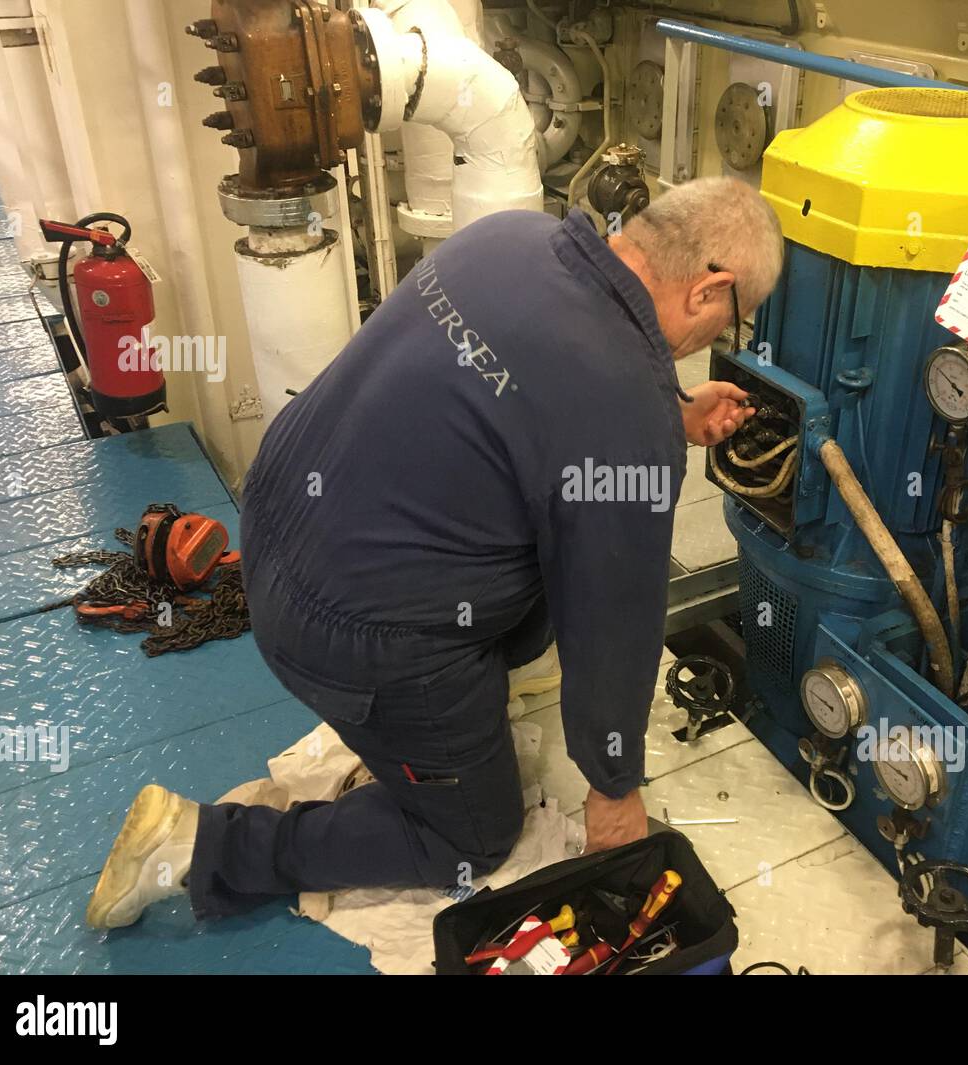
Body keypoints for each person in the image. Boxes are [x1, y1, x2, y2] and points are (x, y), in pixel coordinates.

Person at [86, 176, 785, 928]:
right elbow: (614, 622)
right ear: (709, 288)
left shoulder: (514, 239)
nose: (720, 341)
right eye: (732, 323)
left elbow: (537, 398)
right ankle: (202, 846)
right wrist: (614, 789)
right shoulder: (623, 415)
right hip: (343, 627)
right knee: (473, 834)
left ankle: (439, 723)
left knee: (536, 539)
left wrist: (668, 412)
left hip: (277, 522)